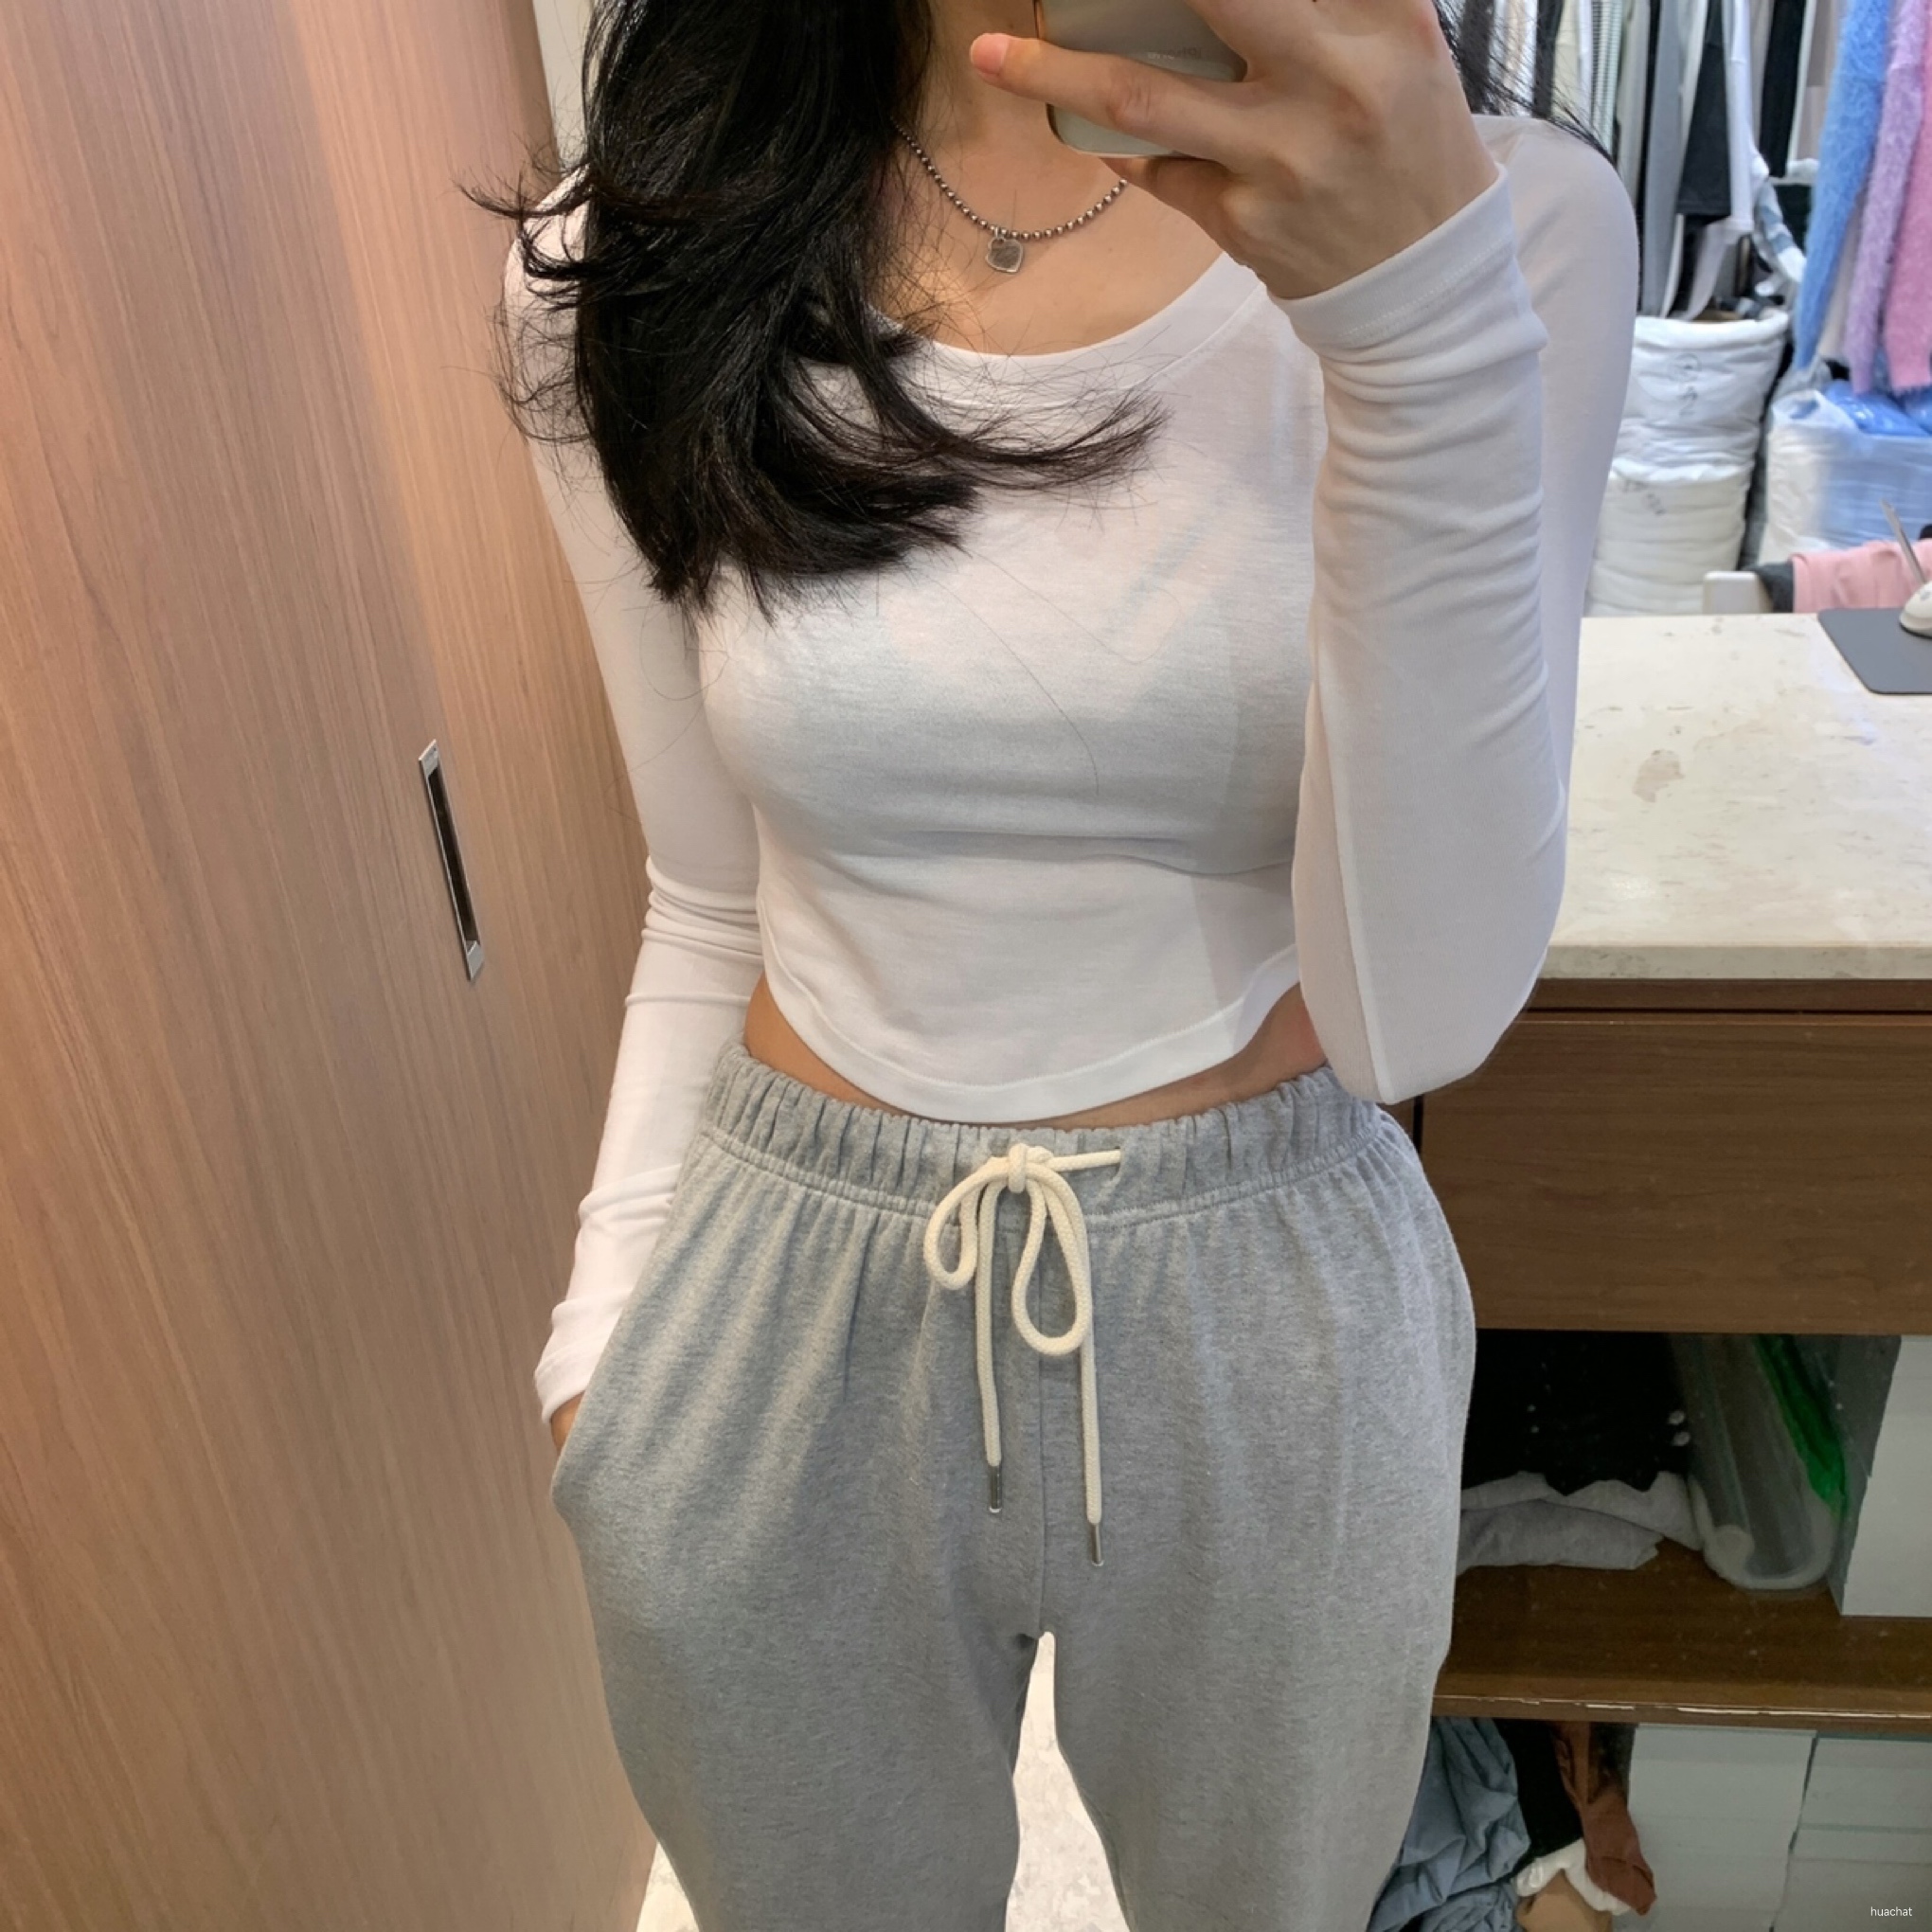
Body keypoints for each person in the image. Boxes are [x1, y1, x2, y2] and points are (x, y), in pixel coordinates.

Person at [484, 0, 1634, 1923]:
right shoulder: (635, 248)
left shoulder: (1499, 226)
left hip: (1267, 1305)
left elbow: (1416, 1019)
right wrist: (607, 1365)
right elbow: (708, 895)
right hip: (788, 1288)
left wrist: (1416, 330)